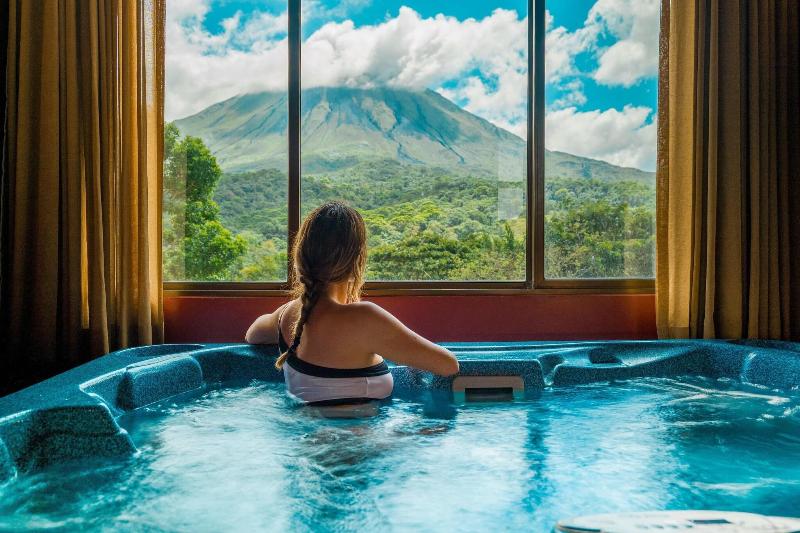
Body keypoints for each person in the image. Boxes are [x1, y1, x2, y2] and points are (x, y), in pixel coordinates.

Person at [245, 201, 459, 405]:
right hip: (360, 441)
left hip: (306, 440)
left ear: (301, 256)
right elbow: (448, 365)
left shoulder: (288, 315)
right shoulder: (365, 318)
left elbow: (253, 335)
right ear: (357, 260)